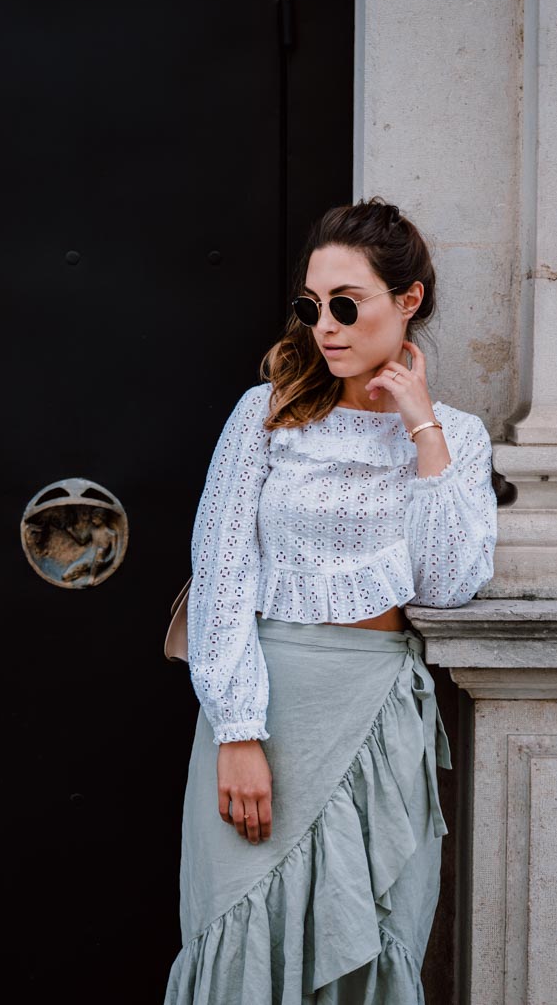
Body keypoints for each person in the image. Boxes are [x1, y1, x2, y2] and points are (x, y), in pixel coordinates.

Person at [163, 199, 498, 1004]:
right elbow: (221, 575)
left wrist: (422, 429)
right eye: (312, 308)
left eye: (347, 304)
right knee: (239, 940)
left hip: (376, 713)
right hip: (263, 704)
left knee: (371, 941)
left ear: (407, 301)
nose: (326, 327)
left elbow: (450, 581)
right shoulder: (266, 415)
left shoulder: (458, 435)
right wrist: (238, 733)